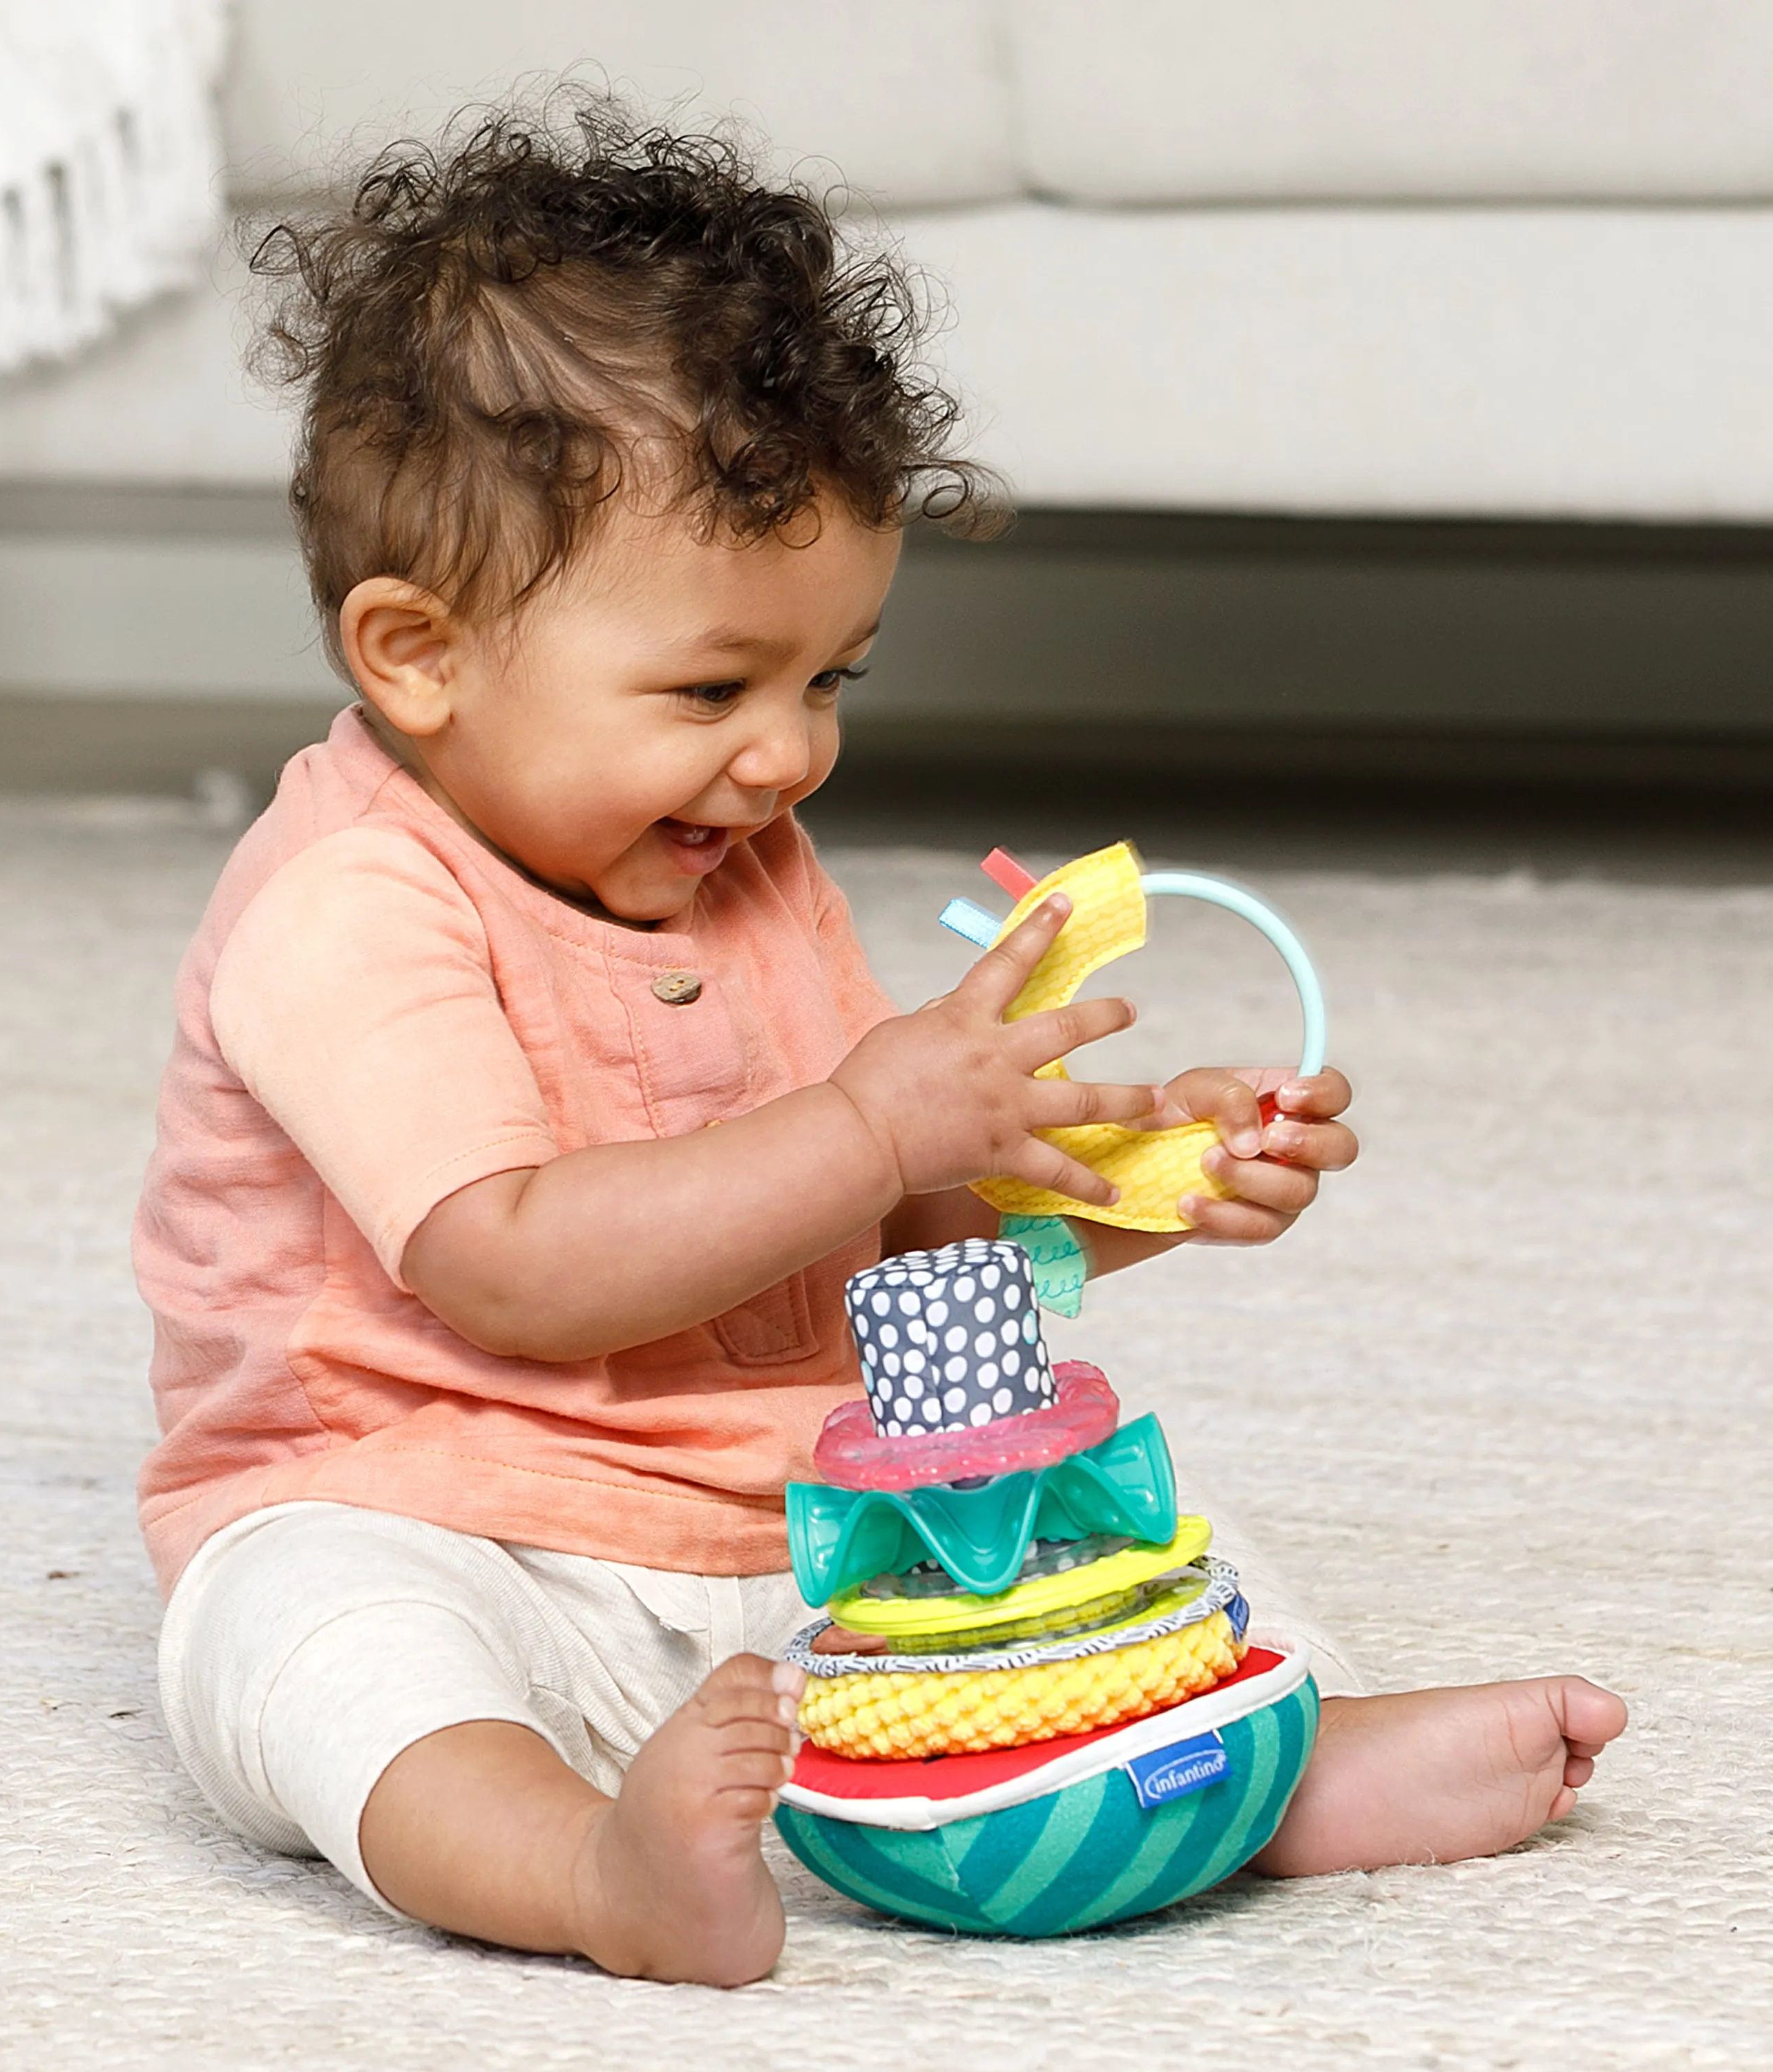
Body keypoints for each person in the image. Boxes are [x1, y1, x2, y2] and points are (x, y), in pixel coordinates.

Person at [135, 101, 1626, 1988]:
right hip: (430, 1499)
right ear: (416, 654)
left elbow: (897, 1244)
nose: (788, 755)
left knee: (1127, 1533)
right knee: (319, 1658)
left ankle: (1269, 1768)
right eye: (710, 688)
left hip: (783, 1499)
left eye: (829, 678)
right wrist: (868, 1118)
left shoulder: (753, 869)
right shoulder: (348, 907)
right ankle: (582, 1867)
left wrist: (1131, 1179)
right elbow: (511, 1270)